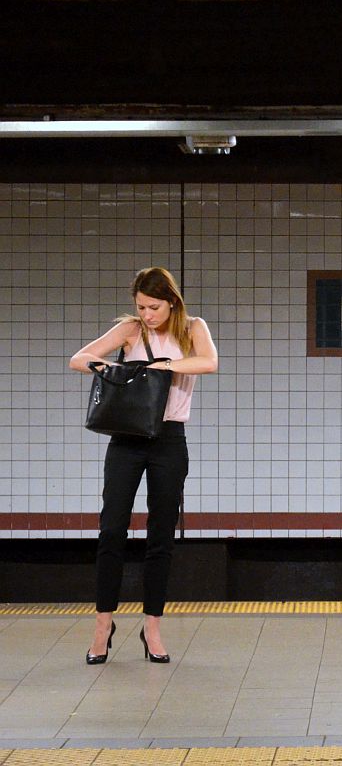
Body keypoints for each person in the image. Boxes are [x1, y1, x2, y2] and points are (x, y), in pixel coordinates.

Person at [70, 267, 218, 665]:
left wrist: (164, 366)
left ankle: (152, 627)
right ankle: (103, 625)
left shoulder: (193, 328)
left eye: (154, 307)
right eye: (141, 307)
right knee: (111, 529)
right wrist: (116, 370)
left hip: (169, 439)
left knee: (161, 535)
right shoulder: (131, 330)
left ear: (171, 302)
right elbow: (78, 359)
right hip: (127, 438)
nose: (147, 315)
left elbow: (209, 362)